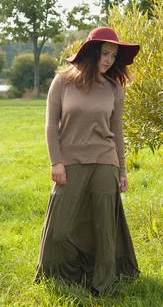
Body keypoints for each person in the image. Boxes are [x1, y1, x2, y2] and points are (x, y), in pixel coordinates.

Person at [35, 26, 140, 296]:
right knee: (60, 228)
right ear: (91, 52)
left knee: (105, 228)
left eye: (113, 56)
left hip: (105, 162)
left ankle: (101, 282)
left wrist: (122, 169)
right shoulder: (62, 82)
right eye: (104, 53)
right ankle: (68, 274)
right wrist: (55, 162)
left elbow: (116, 131)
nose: (108, 60)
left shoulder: (114, 88)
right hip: (69, 161)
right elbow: (50, 125)